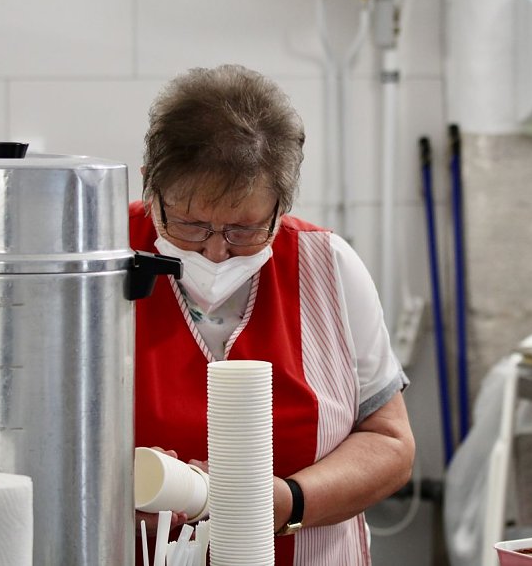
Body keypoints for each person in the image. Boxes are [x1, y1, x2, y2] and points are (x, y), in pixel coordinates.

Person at [131, 63, 415, 565]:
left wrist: (287, 502)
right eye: (190, 224)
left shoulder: (327, 265)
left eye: (243, 228)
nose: (216, 252)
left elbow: (389, 443)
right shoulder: (91, 262)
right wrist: (115, 495)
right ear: (150, 187)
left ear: (281, 206)